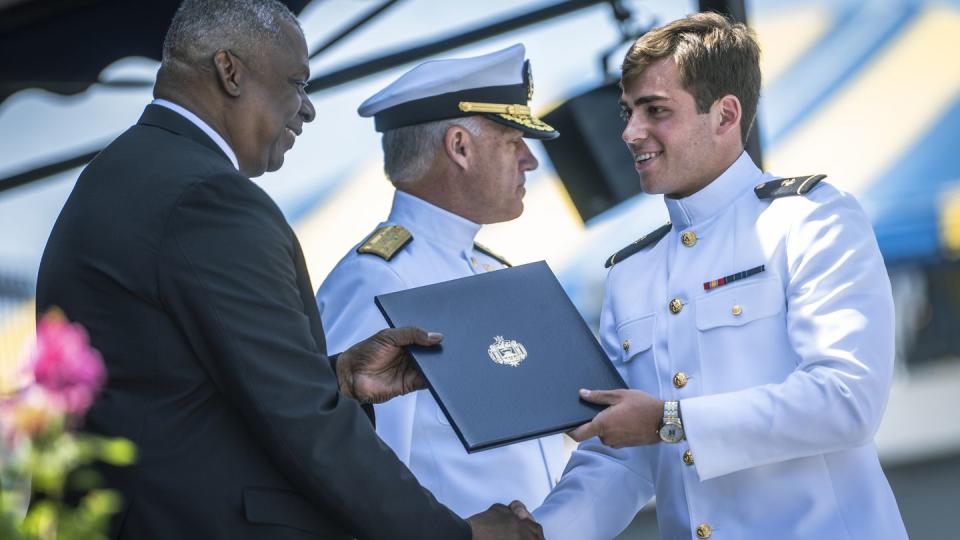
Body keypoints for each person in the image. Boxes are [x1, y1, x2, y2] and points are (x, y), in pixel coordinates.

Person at [35, 1, 542, 538]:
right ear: (230, 72)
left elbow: (183, 383)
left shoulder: (134, 172)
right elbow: (306, 423)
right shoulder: (207, 198)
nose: (307, 110)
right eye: (297, 83)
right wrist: (459, 536)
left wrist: (340, 376)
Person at [533, 12, 908, 539]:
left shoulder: (811, 219)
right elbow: (618, 457)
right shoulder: (630, 273)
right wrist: (539, 534)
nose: (630, 132)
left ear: (726, 114)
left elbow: (847, 399)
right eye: (627, 111)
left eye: (655, 110)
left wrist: (672, 419)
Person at [316, 44, 569, 519]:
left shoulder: (487, 266)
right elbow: (363, 478)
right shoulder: (378, 278)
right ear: (459, 146)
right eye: (513, 140)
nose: (529, 160)